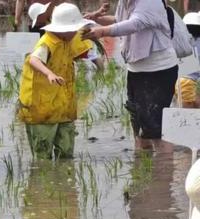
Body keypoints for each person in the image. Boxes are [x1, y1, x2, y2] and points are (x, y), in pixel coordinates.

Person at [83, 0, 178, 154]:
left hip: (158, 71)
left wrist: (102, 31)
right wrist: (95, 19)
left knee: (157, 129)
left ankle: (164, 173)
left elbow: (136, 23)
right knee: (139, 125)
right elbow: (119, 21)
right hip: (135, 69)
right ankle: (141, 169)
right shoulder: (126, 1)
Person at [18, 3, 95, 160]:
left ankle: (63, 180)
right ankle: (44, 182)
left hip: (62, 106)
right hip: (42, 108)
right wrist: (49, 74)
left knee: (66, 153)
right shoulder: (47, 42)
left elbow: (83, 52)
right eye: (73, 29)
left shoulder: (67, 41)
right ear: (63, 29)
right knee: (42, 157)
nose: (76, 32)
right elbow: (34, 60)